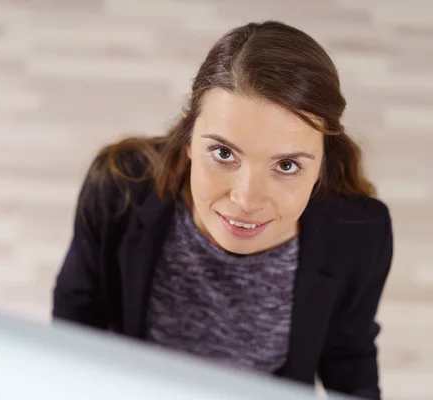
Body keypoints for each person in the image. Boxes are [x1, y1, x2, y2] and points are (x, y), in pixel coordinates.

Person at [52, 20, 393, 400]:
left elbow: (349, 355)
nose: (246, 200)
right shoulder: (119, 190)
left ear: (322, 163)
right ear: (188, 138)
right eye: (224, 153)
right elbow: (78, 316)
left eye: (286, 166)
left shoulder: (361, 234)